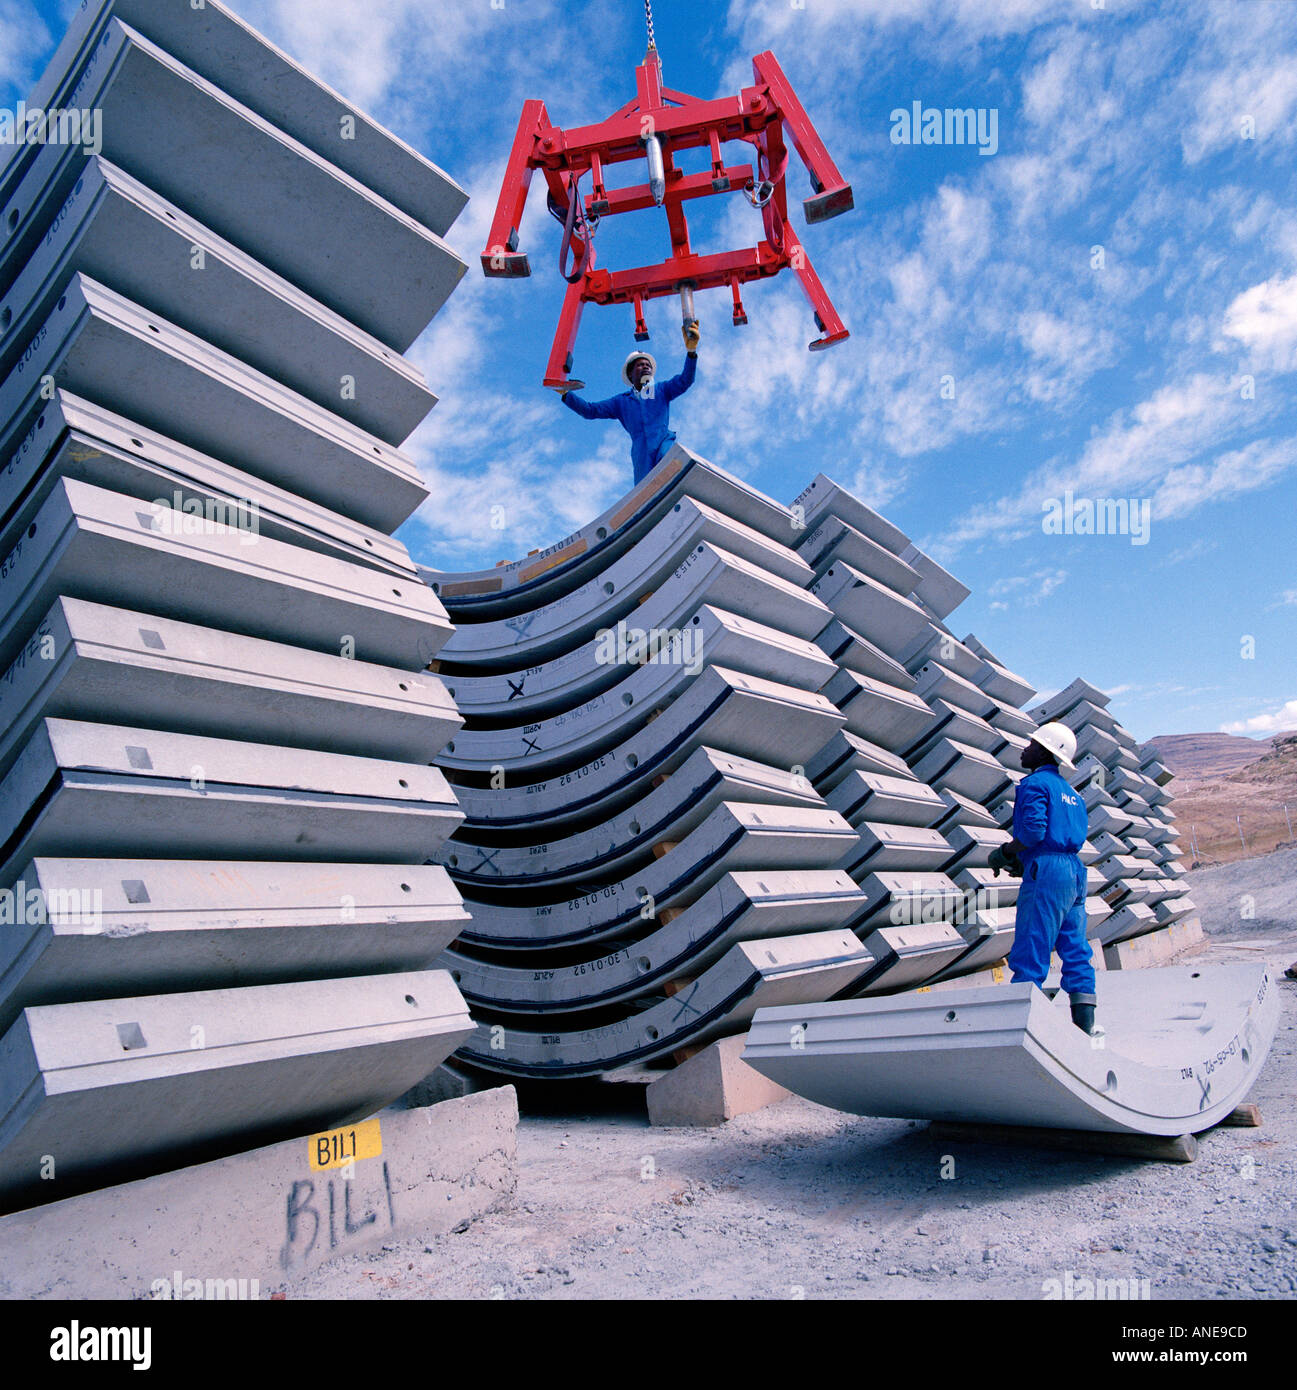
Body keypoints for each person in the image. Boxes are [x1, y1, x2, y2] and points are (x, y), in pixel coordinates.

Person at [988, 722, 1100, 1036]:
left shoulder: (1034, 784)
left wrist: (1007, 852)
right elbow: (1063, 836)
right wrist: (1029, 861)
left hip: (1049, 872)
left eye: (1031, 744)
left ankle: (1024, 1031)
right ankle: (1085, 1031)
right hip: (1075, 872)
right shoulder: (1074, 795)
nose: (1025, 749)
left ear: (1043, 751)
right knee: (1075, 948)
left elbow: (1034, 832)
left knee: (1032, 944)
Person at [556, 320, 700, 484]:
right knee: (644, 493)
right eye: (640, 365)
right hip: (641, 455)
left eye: (648, 365)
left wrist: (691, 351)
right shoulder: (621, 402)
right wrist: (565, 393)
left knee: (672, 465)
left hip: (663, 444)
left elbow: (685, 380)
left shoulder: (661, 390)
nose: (646, 367)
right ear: (631, 374)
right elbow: (590, 410)